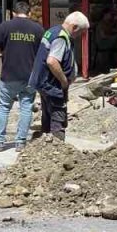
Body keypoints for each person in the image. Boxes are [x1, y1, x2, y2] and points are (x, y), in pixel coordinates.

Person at [0, 1, 43, 152]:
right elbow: (43, 52)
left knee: (3, 108)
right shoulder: (37, 29)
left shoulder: (5, 26)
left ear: (13, 13)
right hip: (29, 77)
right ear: (30, 13)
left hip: (8, 75)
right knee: (26, 108)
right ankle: (20, 143)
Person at [28, 11, 89, 140]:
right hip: (52, 85)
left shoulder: (53, 30)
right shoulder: (61, 37)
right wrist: (64, 81)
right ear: (74, 27)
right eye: (81, 32)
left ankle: (46, 146)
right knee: (57, 119)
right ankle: (57, 149)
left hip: (43, 83)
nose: (80, 36)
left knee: (47, 117)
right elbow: (52, 61)